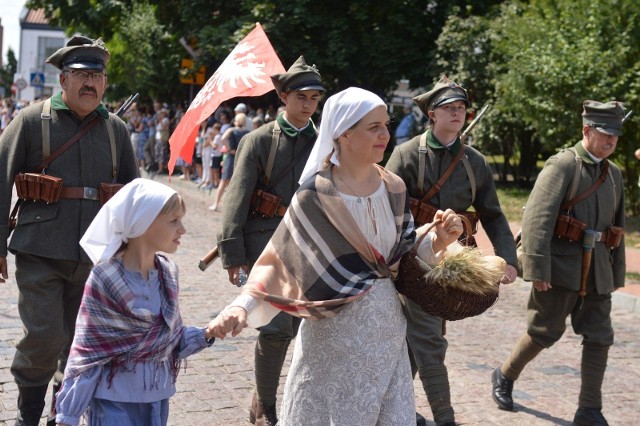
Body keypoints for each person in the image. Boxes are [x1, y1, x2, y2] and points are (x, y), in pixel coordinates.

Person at [210, 86, 465, 425]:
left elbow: (398, 258)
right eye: (373, 127)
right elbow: (279, 266)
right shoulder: (315, 195)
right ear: (344, 132)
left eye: (385, 125)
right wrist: (241, 307)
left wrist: (437, 240)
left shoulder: (394, 188)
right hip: (332, 341)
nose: (384, 134)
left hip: (387, 336)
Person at [0, 35, 139, 426]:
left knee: (80, 344)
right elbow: (0, 180)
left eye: (97, 75)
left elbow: (133, 196)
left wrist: (137, 254)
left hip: (96, 256)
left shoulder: (116, 131)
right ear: (63, 80)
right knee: (44, 337)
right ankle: (27, 416)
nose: (90, 83)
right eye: (81, 74)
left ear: (105, 83)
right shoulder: (30, 120)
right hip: (40, 249)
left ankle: (63, 412)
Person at [386, 75, 518, 426]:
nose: (457, 113)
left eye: (461, 108)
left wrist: (509, 261)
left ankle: (385, 405)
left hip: (454, 264)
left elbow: (493, 214)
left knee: (421, 335)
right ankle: (445, 418)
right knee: (427, 336)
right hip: (410, 258)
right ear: (432, 113)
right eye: (449, 108)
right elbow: (384, 207)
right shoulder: (407, 154)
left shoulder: (474, 162)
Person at [491, 100, 627, 426]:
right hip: (561, 269)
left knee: (599, 336)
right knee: (543, 331)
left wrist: (616, 273)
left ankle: (589, 409)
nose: (610, 141)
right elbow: (538, 219)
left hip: (599, 272)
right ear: (586, 130)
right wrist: (537, 269)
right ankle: (505, 374)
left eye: (615, 136)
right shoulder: (563, 166)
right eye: (604, 134)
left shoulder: (614, 175)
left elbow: (616, 229)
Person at [214, 55, 324, 424]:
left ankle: (265, 396)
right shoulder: (258, 141)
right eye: (301, 97)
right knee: (275, 330)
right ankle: (268, 409)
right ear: (283, 96)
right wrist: (233, 254)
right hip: (267, 242)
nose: (308, 105)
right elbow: (237, 196)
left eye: (314, 99)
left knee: (297, 327)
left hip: (309, 245)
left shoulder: (325, 144)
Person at [55, 178, 216, 425]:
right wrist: (68, 415)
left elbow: (168, 340)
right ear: (143, 223)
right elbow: (89, 353)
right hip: (113, 404)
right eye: (174, 221)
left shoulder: (168, 274)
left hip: (156, 402)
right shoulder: (105, 278)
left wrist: (209, 332)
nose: (182, 229)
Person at [208, 113, 249, 211]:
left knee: (223, 181)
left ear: (237, 121)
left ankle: (216, 204)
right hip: (241, 158)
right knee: (236, 183)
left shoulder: (231, 130)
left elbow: (223, 139)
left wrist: (229, 148)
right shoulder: (247, 132)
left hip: (231, 158)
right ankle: (232, 207)